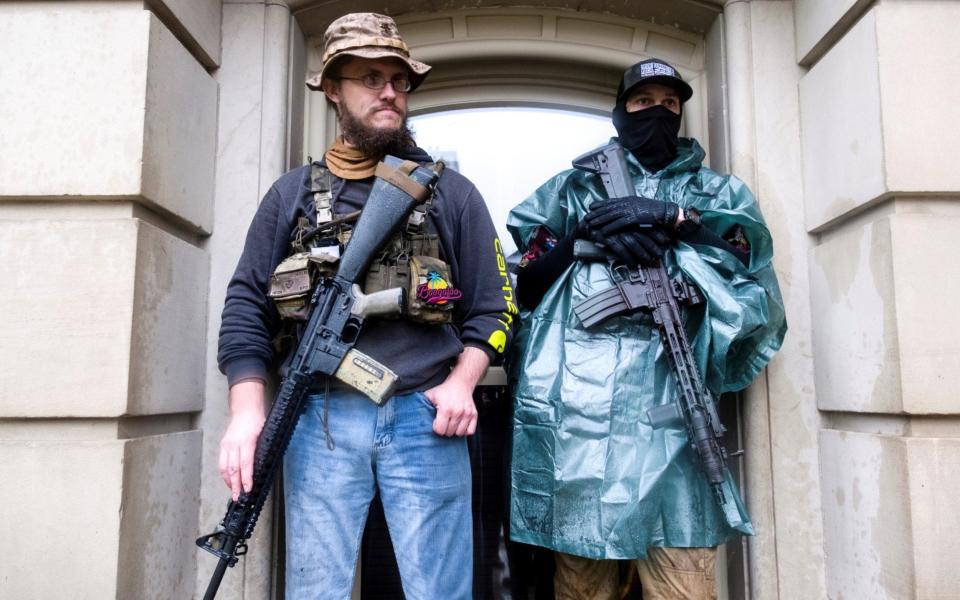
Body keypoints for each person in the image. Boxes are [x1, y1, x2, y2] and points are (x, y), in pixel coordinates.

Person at [215, 13, 516, 599]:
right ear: (332, 88)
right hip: (319, 418)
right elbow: (247, 304)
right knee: (317, 591)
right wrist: (248, 409)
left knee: (440, 592)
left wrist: (463, 382)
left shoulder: (449, 193)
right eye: (371, 78)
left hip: (425, 419)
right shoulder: (292, 195)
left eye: (399, 81)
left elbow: (497, 307)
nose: (389, 93)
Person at [506, 58, 786, 599]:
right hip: (579, 432)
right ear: (618, 112)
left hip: (677, 429)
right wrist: (583, 236)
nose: (657, 113)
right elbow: (526, 286)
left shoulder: (719, 194)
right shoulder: (572, 189)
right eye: (642, 103)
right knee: (583, 588)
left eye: (670, 104)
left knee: (683, 585)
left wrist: (678, 223)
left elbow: (754, 293)